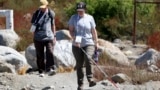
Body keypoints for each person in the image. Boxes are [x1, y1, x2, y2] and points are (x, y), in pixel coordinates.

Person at [68, 2, 98, 90]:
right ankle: (80, 84)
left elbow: (93, 31)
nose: (80, 12)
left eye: (81, 10)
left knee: (88, 58)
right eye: (78, 11)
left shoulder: (90, 18)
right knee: (79, 64)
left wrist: (96, 42)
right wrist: (74, 38)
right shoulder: (73, 18)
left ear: (85, 10)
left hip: (89, 42)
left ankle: (90, 79)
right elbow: (71, 30)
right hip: (76, 44)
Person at [30, 0, 56, 76]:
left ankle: (50, 69)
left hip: (49, 37)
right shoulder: (36, 13)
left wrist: (54, 36)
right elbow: (33, 25)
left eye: (43, 7)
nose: (42, 9)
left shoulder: (51, 13)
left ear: (47, 6)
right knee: (40, 55)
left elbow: (53, 25)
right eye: (40, 7)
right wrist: (33, 36)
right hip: (38, 38)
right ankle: (41, 71)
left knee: (50, 52)